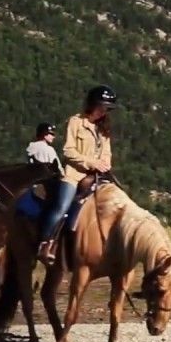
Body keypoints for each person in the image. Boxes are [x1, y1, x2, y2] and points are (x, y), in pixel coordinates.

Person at [38, 84, 116, 265]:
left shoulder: (104, 129)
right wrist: (91, 162)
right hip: (74, 174)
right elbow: (68, 151)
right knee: (61, 208)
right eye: (102, 106)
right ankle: (45, 243)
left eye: (107, 108)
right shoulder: (75, 122)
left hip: (97, 175)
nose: (104, 111)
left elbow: (107, 151)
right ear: (93, 104)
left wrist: (105, 162)